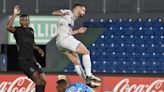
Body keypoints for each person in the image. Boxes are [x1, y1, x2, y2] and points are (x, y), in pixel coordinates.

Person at [52, 3, 101, 87]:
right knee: (86, 52)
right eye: (83, 10)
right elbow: (54, 13)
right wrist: (62, 13)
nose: (84, 12)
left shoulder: (72, 19)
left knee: (77, 61)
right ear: (78, 8)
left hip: (60, 42)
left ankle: (87, 82)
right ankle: (89, 75)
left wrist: (78, 31)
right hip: (64, 38)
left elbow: (68, 32)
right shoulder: (69, 12)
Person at [7, 5, 46, 92]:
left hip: (33, 60)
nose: (25, 21)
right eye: (23, 20)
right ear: (20, 22)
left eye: (26, 20)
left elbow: (32, 43)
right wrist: (14, 14)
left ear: (28, 21)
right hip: (24, 62)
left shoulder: (31, 30)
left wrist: (38, 48)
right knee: (38, 82)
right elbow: (8, 27)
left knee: (43, 82)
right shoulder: (17, 31)